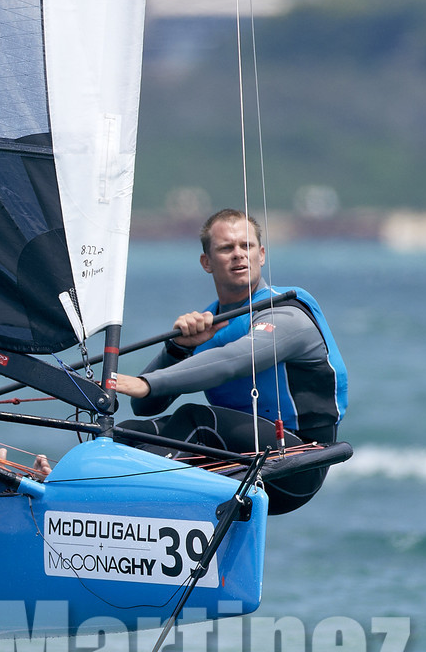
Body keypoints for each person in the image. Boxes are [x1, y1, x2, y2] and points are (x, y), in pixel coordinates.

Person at [111, 209, 347, 513]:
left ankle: (122, 501)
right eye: (226, 248)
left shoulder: (288, 313)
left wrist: (146, 382)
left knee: (196, 421)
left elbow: (233, 360)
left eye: (246, 246)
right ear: (206, 262)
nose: (238, 255)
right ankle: (69, 487)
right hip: (236, 457)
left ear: (261, 255)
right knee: (125, 435)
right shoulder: (209, 323)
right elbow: (145, 407)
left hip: (296, 468)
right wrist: (177, 348)